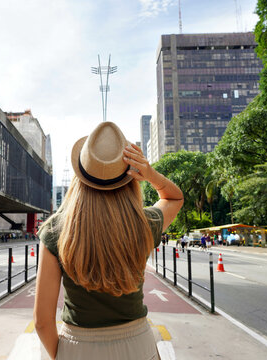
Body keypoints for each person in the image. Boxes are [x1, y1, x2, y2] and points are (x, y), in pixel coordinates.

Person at [34, 122, 183, 360]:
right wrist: (150, 173)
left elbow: (42, 322)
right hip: (138, 346)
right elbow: (174, 198)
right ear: (130, 178)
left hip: (78, 347)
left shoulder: (56, 229)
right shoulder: (145, 222)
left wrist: (63, 356)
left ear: (79, 177)